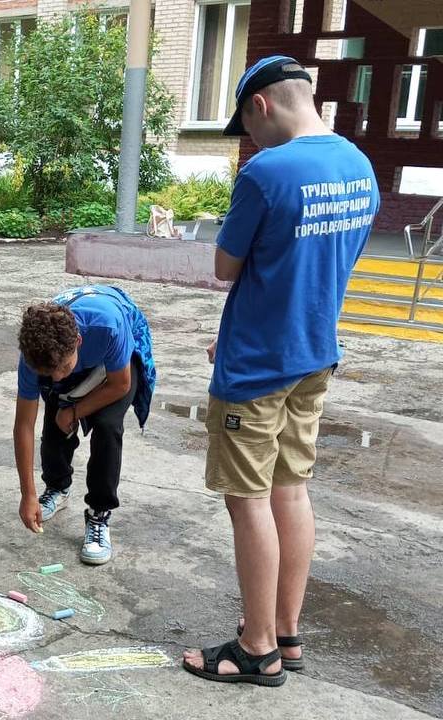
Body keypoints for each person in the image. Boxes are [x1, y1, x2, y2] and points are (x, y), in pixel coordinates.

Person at [182, 56, 379, 686]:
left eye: (245, 125)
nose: (249, 140)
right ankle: (287, 634)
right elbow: (308, 269)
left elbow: (225, 267)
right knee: (292, 491)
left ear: (260, 106)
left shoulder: (266, 172)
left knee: (249, 501)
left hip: (257, 368)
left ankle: (256, 647)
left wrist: (243, 340)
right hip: (314, 356)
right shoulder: (359, 166)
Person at [13, 285, 155, 565]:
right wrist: (27, 495)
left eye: (63, 369)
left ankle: (99, 513)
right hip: (77, 355)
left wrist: (75, 411)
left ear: (77, 341)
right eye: (47, 372)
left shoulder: (107, 327)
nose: (56, 377)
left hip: (115, 365)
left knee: (107, 425)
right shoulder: (34, 358)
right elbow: (23, 426)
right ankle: (57, 487)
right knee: (55, 413)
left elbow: (120, 385)